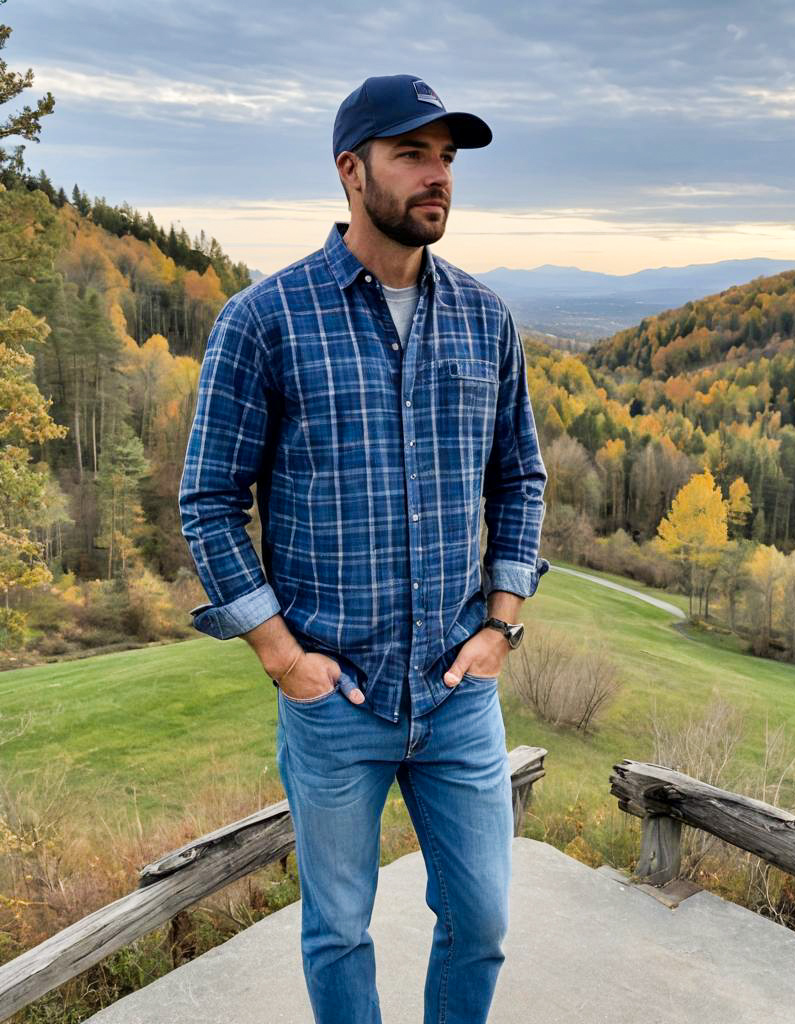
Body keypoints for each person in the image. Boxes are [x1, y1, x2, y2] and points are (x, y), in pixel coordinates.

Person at [178, 73, 550, 1024]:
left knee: (483, 921)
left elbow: (520, 477)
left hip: (458, 692)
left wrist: (501, 625)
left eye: (447, 158)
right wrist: (282, 657)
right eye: (412, 154)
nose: (438, 176)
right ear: (352, 170)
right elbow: (209, 502)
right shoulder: (265, 319)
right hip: (335, 696)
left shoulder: (485, 318)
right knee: (339, 929)